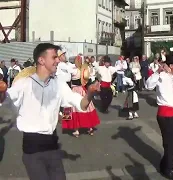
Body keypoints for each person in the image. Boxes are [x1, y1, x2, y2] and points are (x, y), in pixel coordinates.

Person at [0, 43, 99, 180]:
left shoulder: (58, 84)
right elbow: (6, 100)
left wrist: (90, 93)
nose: (58, 60)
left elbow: (80, 104)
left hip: (53, 146)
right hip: (32, 149)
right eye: (54, 57)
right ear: (41, 60)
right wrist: (2, 93)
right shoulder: (24, 84)